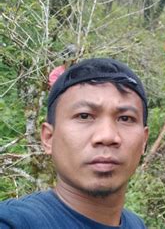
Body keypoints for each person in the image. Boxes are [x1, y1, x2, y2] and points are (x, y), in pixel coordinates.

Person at [0, 58, 149, 228]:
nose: (107, 136)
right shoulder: (16, 222)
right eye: (84, 116)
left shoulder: (135, 224)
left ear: (144, 140)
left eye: (125, 118)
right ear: (49, 137)